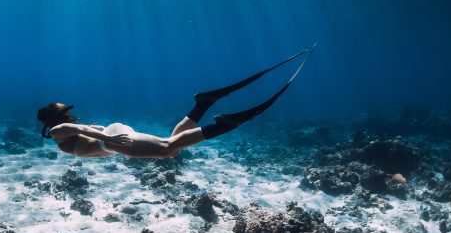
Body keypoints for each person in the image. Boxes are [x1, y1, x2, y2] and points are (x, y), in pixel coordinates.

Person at [38, 45, 315, 159]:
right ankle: (203, 104)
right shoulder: (63, 131)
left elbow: (84, 131)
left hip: (110, 140)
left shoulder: (55, 132)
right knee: (173, 142)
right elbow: (87, 129)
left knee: (168, 149)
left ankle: (228, 122)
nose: (70, 115)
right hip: (110, 138)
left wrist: (111, 140)